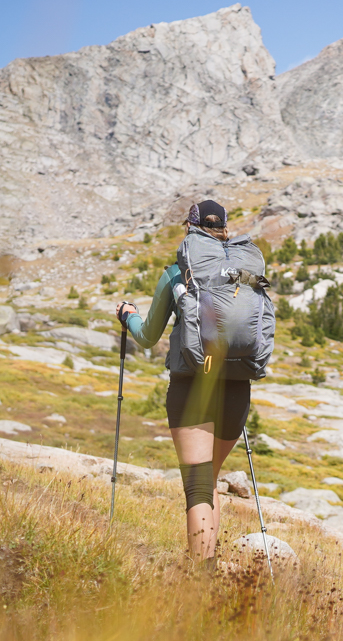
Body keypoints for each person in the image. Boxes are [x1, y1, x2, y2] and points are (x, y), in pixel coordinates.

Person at [116, 199, 268, 568]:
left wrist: (128, 317)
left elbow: (150, 336)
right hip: (237, 386)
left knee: (198, 484)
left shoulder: (178, 273)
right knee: (210, 477)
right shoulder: (243, 270)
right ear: (224, 230)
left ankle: (200, 578)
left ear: (190, 227)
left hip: (191, 383)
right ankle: (210, 565)